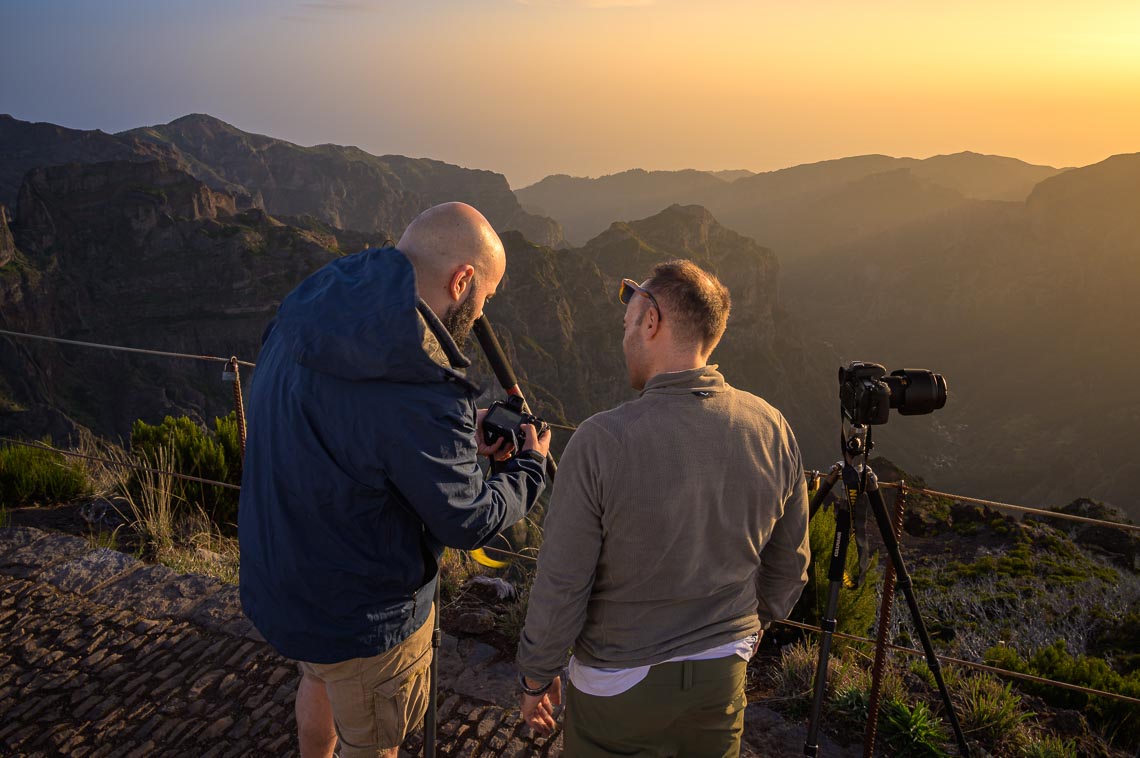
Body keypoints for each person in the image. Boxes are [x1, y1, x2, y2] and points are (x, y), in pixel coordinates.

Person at [239, 202, 551, 758]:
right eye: (485, 300)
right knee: (374, 741)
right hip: (364, 611)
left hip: (287, 575)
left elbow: (352, 431)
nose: (479, 317)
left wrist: (446, 440)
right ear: (463, 280)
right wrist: (526, 469)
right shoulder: (417, 379)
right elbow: (467, 519)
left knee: (318, 679)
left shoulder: (313, 307)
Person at [516, 259, 810, 757]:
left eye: (628, 322)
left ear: (651, 322)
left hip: (617, 685)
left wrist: (535, 675)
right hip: (721, 679)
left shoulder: (601, 440)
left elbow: (563, 581)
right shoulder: (772, 427)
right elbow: (790, 567)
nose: (624, 335)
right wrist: (740, 632)